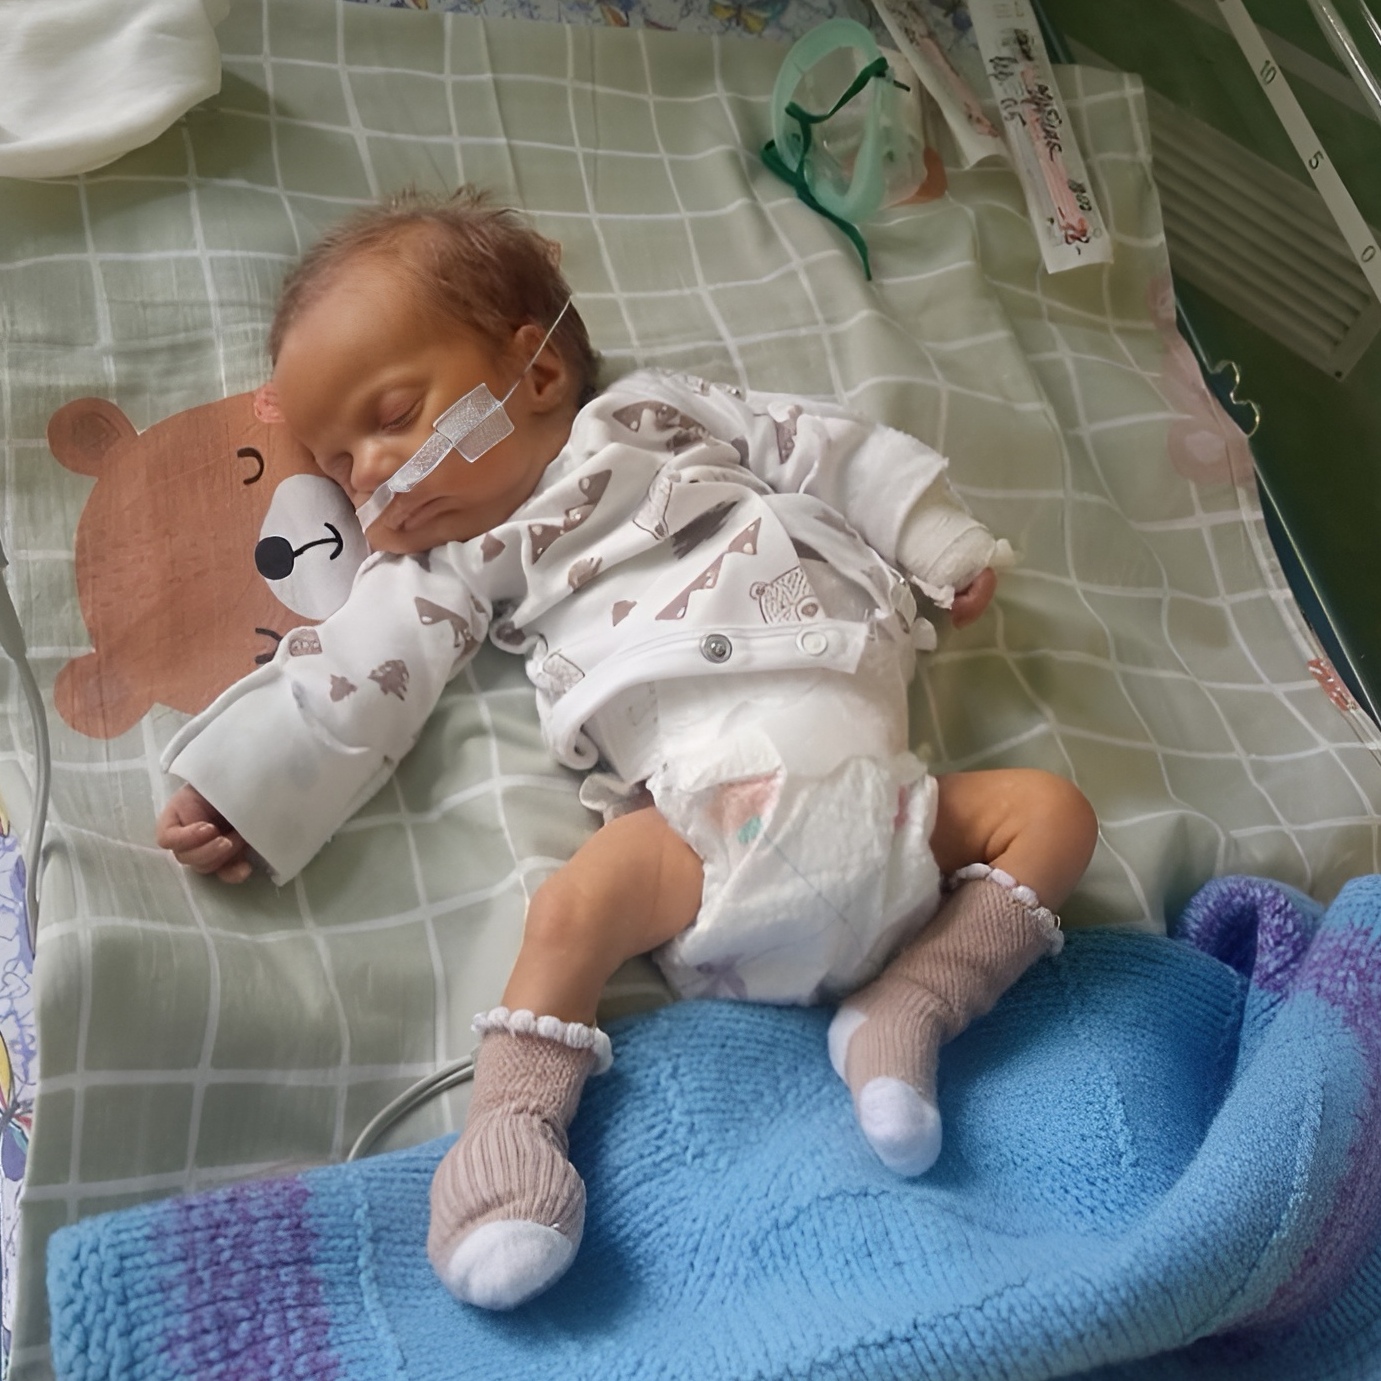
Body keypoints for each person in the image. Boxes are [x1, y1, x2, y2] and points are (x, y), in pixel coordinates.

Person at [155, 188, 1098, 1312]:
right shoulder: (457, 565)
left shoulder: (659, 416)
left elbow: (816, 443)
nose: (367, 478)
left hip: (885, 798)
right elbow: (358, 672)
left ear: (538, 371)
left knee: (1055, 816)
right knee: (570, 913)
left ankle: (912, 1004)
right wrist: (246, 786)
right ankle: (510, 1139)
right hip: (703, 824)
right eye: (337, 461)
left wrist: (931, 535)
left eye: (392, 416)